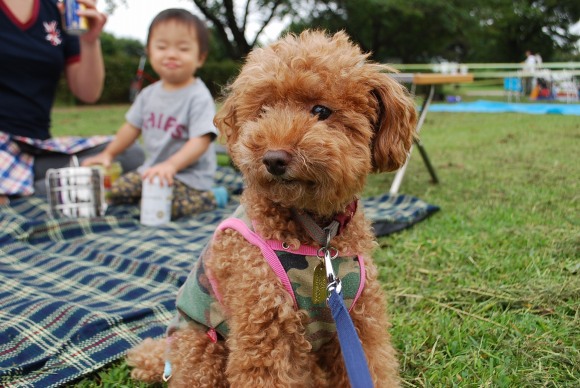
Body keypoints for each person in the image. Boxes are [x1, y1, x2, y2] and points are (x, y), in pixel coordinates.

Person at [82, 9, 227, 220]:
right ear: (150, 51)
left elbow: (201, 140)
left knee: (163, 207)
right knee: (116, 191)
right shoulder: (148, 94)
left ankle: (214, 196)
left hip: (188, 177)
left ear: (200, 57)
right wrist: (108, 154)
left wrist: (171, 166)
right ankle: (143, 192)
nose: (171, 54)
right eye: (161, 47)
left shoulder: (198, 95)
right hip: (151, 171)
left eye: (183, 48)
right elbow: (130, 128)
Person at [0, 0, 144, 205]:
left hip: (35, 150)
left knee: (129, 154)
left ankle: (19, 194)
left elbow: (88, 93)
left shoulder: (57, 10)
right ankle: (58, 191)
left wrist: (89, 41)